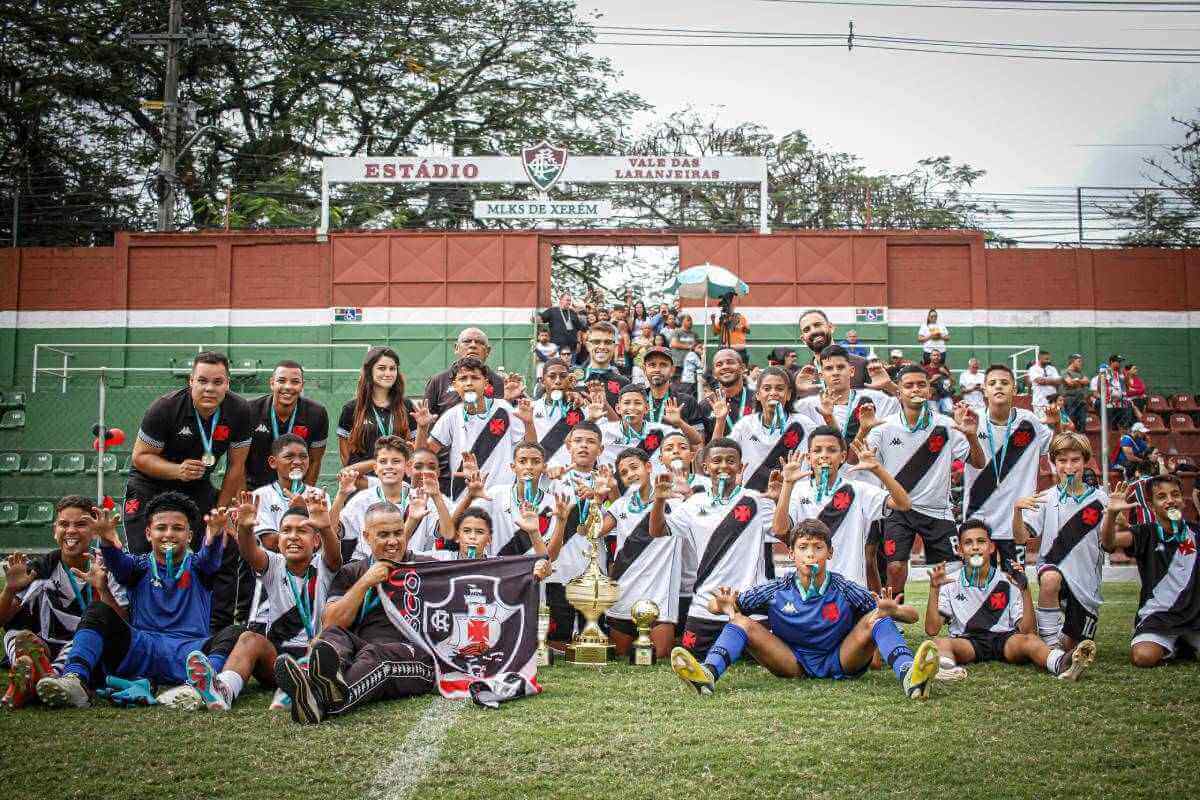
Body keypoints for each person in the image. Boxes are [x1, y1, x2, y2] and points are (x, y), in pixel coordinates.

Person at [35, 494, 264, 708]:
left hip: (190, 653)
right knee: (98, 610)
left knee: (235, 632)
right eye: (161, 528)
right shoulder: (138, 566)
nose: (169, 534)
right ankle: (75, 680)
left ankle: (201, 686)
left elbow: (211, 557)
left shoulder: (198, 567)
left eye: (178, 528)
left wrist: (213, 537)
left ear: (190, 536)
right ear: (148, 533)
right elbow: (117, 563)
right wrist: (106, 540)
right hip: (141, 650)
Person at [669, 519, 939, 700]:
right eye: (803, 548)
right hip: (792, 661)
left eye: (818, 548)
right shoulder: (775, 588)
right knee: (739, 622)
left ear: (829, 553)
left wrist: (893, 611)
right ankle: (706, 675)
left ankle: (910, 677)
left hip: (841, 659)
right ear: (792, 555)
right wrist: (724, 605)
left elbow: (912, 617)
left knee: (877, 617)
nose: (811, 554)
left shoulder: (845, 587)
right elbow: (714, 606)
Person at [273, 501, 437, 724]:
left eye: (398, 533)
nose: (393, 541)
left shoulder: (429, 568)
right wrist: (365, 582)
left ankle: (317, 700)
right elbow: (331, 622)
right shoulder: (352, 571)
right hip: (362, 650)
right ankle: (326, 685)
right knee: (331, 639)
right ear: (366, 536)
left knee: (376, 656)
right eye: (383, 535)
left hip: (415, 656)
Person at [123, 350, 253, 630]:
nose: (210, 388)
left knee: (223, 544)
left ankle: (216, 629)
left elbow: (236, 468)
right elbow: (140, 458)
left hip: (196, 485)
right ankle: (142, 626)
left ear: (228, 384)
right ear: (190, 381)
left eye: (218, 382)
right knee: (144, 552)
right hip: (150, 484)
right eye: (203, 381)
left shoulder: (240, 411)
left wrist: (222, 513)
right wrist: (176, 470)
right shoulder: (165, 408)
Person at [646, 438, 778, 658]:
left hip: (749, 605)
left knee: (757, 661)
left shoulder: (756, 501)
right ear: (706, 467)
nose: (724, 466)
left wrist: (783, 495)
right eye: (717, 461)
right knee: (690, 655)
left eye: (731, 461)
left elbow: (783, 531)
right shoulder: (694, 503)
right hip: (705, 605)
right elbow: (657, 531)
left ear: (740, 466)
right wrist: (659, 500)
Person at [864, 366, 985, 596]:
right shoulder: (884, 426)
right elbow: (855, 459)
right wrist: (862, 435)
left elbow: (978, 463)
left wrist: (970, 436)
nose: (915, 389)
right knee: (895, 567)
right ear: (898, 392)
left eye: (921, 384)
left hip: (937, 510)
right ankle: (893, 617)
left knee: (951, 569)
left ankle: (953, 618)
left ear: (929, 391)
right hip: (897, 509)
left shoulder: (947, 425)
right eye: (908, 385)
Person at [925, 518, 1094, 681]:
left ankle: (1062, 663)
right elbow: (932, 629)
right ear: (960, 550)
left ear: (991, 547)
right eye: (968, 543)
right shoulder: (949, 582)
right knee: (939, 643)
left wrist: (1024, 590)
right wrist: (934, 590)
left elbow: (1028, 631)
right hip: (968, 641)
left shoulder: (1009, 580)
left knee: (1030, 641)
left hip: (1005, 640)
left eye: (981, 541)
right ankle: (946, 670)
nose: (975, 547)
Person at [1, 497, 129, 708]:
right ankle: (40, 675)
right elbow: (2, 619)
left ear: (95, 530)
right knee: (14, 635)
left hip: (85, 651)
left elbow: (123, 626)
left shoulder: (109, 567)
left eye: (80, 524)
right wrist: (10, 589)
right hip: (43, 648)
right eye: (64, 524)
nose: (71, 531)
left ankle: (39, 678)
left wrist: (103, 588)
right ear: (54, 530)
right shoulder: (39, 569)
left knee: (79, 642)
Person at [773, 427, 911, 588]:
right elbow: (780, 530)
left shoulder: (859, 490)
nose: (824, 455)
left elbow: (904, 503)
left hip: (850, 587)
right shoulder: (797, 490)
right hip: (809, 585)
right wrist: (787, 484)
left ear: (843, 457)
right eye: (817, 450)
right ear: (809, 458)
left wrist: (878, 469)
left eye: (832, 450)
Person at [1012, 432, 1109, 653]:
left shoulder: (1101, 500)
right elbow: (1021, 538)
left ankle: (1057, 638)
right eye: (1062, 460)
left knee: (1074, 647)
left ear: (1085, 461)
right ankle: (1049, 644)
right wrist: (1017, 511)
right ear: (1054, 463)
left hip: (1086, 584)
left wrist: (1115, 519)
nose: (1069, 466)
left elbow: (1110, 544)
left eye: (1075, 460)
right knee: (1050, 578)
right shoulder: (1046, 497)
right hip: (1053, 569)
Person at [593, 448, 685, 660]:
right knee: (620, 654)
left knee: (659, 656)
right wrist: (598, 498)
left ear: (649, 467)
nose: (630, 475)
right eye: (624, 472)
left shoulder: (675, 502)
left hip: (659, 591)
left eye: (634, 468)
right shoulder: (620, 504)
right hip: (624, 588)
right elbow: (595, 531)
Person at [1102, 475, 1200, 668]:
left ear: (1183, 499)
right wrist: (1111, 515)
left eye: (1175, 494)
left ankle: (1182, 644)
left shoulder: (1195, 532)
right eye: (1162, 496)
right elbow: (1109, 543)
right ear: (1152, 505)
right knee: (1143, 657)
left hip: (1195, 616)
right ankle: (1177, 645)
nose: (1170, 500)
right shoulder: (1146, 533)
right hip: (1158, 616)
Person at [962, 364, 1055, 566]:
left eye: (1004, 383)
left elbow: (1057, 449)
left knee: (1015, 583)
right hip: (978, 518)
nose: (998, 387)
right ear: (984, 390)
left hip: (1015, 521)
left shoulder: (1029, 422)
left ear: (1014, 389)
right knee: (977, 582)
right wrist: (969, 435)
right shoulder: (972, 420)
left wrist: (1057, 425)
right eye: (992, 383)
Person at [420, 356, 529, 501]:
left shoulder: (504, 408)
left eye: (475, 378)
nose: (469, 383)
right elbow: (425, 454)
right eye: (463, 378)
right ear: (455, 385)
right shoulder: (452, 416)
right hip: (464, 497)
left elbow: (527, 448)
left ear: (485, 383)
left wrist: (530, 423)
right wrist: (422, 428)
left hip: (503, 496)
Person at [542, 423, 611, 648]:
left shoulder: (608, 481)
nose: (584, 446)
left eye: (591, 442)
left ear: (600, 449)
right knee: (557, 640)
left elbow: (618, 515)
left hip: (593, 566)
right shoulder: (552, 478)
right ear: (568, 445)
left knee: (591, 640)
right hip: (560, 566)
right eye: (578, 440)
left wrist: (605, 494)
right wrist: (546, 473)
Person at [335, 437, 449, 562]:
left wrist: (437, 496)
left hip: (412, 568)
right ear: (375, 467)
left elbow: (446, 533)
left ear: (408, 466)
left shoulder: (422, 498)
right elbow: (335, 530)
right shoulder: (362, 500)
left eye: (395, 461)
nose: (389, 466)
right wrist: (341, 496)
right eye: (383, 462)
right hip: (368, 568)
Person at [245, 360, 329, 491]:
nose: (288, 387)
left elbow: (314, 461)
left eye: (295, 382)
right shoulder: (250, 410)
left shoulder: (317, 413)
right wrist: (243, 497)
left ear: (302, 386)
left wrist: (303, 495)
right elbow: (238, 462)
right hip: (255, 490)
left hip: (295, 490)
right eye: (282, 381)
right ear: (272, 383)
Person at [465, 441, 557, 558]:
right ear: (513, 467)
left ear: (544, 467)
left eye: (536, 462)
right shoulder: (496, 494)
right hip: (497, 571)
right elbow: (459, 526)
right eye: (522, 461)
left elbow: (551, 556)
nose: (529, 466)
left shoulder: (553, 504)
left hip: (533, 572)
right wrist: (470, 497)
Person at [794, 345, 899, 444]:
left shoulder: (873, 398)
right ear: (821, 375)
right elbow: (781, 414)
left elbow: (911, 405)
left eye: (840, 367)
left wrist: (890, 386)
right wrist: (796, 390)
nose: (835, 373)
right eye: (829, 368)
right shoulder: (808, 405)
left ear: (851, 371)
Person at [728, 366, 809, 494]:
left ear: (788, 394)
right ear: (758, 395)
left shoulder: (804, 424)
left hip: (794, 500)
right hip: (753, 501)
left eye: (780, 389)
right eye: (767, 388)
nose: (773, 393)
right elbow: (722, 452)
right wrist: (720, 421)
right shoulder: (745, 425)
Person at [338, 346, 416, 476]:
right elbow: (345, 453)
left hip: (397, 482)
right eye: (382, 368)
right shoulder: (351, 408)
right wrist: (358, 478)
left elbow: (415, 449)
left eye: (392, 369)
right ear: (369, 371)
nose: (388, 373)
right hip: (364, 483)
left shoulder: (407, 405)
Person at [248, 434, 332, 552]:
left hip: (313, 566)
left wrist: (304, 511)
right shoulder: (260, 496)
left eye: (303, 457)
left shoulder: (319, 496)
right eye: (289, 456)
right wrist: (305, 518)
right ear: (273, 462)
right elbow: (270, 542)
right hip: (273, 567)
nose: (298, 462)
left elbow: (324, 542)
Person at [517, 357, 586, 469]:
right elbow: (527, 447)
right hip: (540, 475)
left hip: (569, 475)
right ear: (543, 381)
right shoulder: (531, 409)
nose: (558, 381)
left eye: (563, 376)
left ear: (570, 380)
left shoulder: (580, 408)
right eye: (552, 376)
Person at [599, 385, 685, 470]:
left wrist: (680, 423)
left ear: (646, 408)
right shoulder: (603, 431)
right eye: (627, 403)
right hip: (612, 483)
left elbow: (697, 443)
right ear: (618, 408)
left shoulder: (663, 431)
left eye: (637, 403)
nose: (632, 407)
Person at [641, 346, 703, 441]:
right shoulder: (637, 400)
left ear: (672, 370)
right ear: (644, 369)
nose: (657, 369)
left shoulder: (687, 401)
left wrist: (680, 423)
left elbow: (699, 443)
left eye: (663, 365)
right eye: (652, 365)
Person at [799, 310, 869, 389]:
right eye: (806, 330)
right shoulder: (801, 377)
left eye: (817, 325)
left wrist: (886, 387)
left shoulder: (862, 365)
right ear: (803, 339)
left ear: (831, 327)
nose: (813, 331)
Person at [700, 348, 757, 441]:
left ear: (742, 368)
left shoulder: (758, 400)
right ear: (714, 373)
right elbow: (704, 447)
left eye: (730, 362)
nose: (725, 367)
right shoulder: (706, 405)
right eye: (719, 364)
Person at [577, 322, 630, 409]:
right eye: (596, 342)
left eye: (608, 342)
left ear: (615, 347)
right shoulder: (573, 378)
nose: (602, 346)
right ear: (588, 346)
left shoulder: (624, 383)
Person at [539, 293, 586, 362]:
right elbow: (541, 319)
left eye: (570, 301)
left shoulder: (573, 313)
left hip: (571, 347)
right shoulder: (552, 311)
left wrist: (579, 342)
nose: (569, 302)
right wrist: (535, 318)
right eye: (567, 300)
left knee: (570, 368)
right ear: (560, 300)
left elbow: (578, 329)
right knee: (557, 366)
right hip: (556, 347)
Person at [711, 295, 750, 364]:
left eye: (731, 306)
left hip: (739, 349)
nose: (729, 308)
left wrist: (739, 326)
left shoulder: (740, 317)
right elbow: (715, 333)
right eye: (727, 307)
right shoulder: (722, 320)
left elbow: (748, 331)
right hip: (726, 349)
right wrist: (713, 321)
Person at [1060, 354, 1090, 433]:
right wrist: (1081, 382)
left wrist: (1077, 381)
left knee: (1083, 423)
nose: (1081, 363)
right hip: (1070, 400)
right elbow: (1070, 382)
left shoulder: (1080, 373)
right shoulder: (1064, 372)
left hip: (1081, 400)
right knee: (1071, 422)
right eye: (1079, 361)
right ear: (1072, 362)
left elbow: (1087, 381)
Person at [1026, 350, 1062, 416]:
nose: (1049, 361)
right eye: (1046, 359)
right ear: (1040, 359)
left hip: (1052, 402)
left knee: (1054, 423)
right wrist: (1053, 381)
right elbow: (1040, 381)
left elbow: (1059, 381)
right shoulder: (1033, 369)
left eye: (1049, 359)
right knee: (1042, 424)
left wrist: (1045, 381)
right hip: (1040, 403)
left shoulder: (1052, 369)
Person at [670, 314, 698, 379]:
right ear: (682, 322)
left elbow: (696, 346)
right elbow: (674, 344)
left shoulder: (694, 334)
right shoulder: (676, 332)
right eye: (688, 320)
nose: (691, 322)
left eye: (691, 320)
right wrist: (689, 346)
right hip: (678, 364)